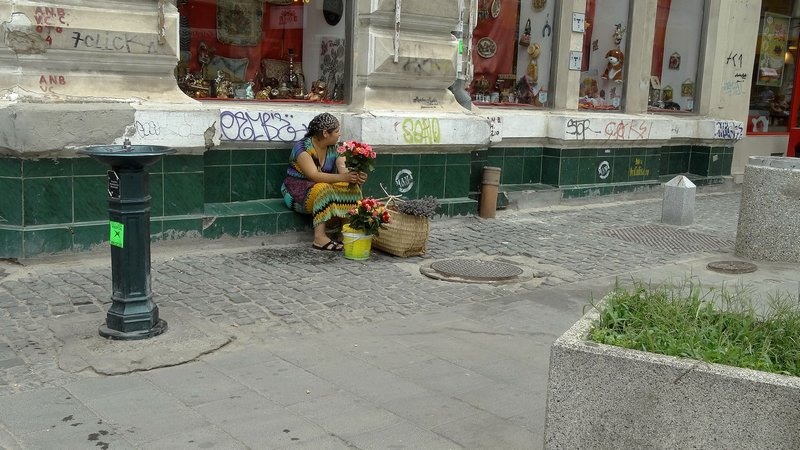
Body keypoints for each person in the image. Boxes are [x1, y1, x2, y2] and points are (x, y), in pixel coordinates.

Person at [281, 113, 367, 251]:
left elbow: (343, 169)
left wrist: (354, 177)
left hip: (322, 187)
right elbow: (314, 176)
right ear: (326, 133)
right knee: (323, 188)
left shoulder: (334, 148)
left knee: (351, 187)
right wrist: (344, 177)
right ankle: (319, 238)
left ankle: (345, 232)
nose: (339, 134)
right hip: (296, 192)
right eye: (337, 131)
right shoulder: (302, 149)